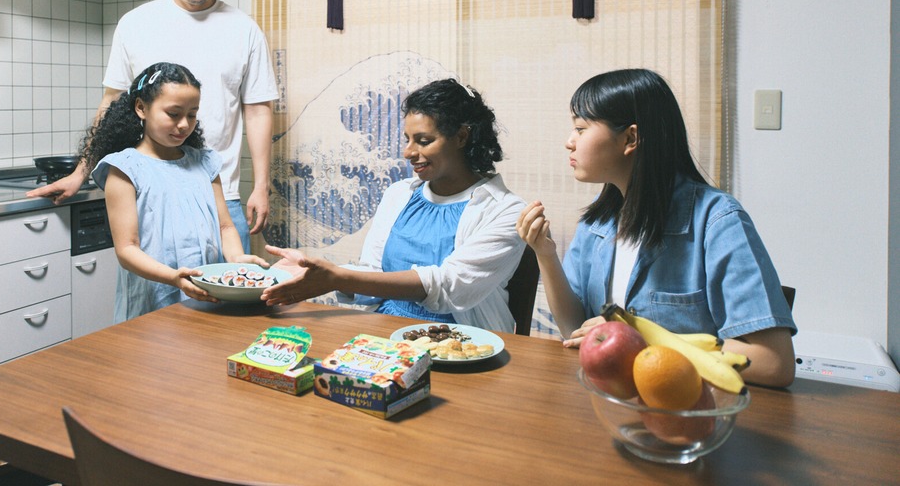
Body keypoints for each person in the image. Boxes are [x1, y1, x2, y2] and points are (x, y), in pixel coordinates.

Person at [517, 68, 796, 387]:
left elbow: (773, 363)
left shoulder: (717, 220)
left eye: (581, 128)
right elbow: (575, 330)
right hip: (608, 400)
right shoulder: (599, 222)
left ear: (630, 138)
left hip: (688, 410)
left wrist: (637, 343)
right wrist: (545, 254)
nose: (569, 142)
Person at [30, 0, 278, 254]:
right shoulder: (136, 24)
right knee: (155, 302)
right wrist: (81, 172)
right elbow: (113, 103)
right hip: (147, 195)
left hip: (220, 196)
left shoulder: (244, 29)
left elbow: (258, 109)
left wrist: (262, 185)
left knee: (229, 297)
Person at [262, 79, 527, 332]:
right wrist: (313, 272)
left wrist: (337, 277)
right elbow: (374, 275)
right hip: (386, 337)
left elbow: (450, 286)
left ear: (460, 137)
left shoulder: (506, 211)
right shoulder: (398, 194)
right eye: (407, 139)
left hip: (464, 347)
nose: (408, 152)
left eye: (423, 141)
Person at [84, 62, 269, 321]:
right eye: (173, 113)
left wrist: (237, 258)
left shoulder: (205, 163)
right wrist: (173, 278)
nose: (184, 124)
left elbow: (225, 227)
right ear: (141, 108)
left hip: (206, 294)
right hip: (152, 300)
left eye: (192, 114)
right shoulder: (124, 168)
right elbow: (127, 249)